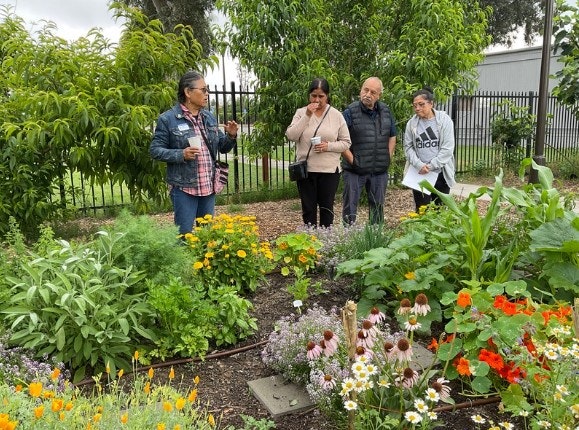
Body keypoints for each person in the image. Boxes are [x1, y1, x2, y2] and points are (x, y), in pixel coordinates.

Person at [150, 70, 238, 235]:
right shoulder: (168, 119)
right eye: (203, 90)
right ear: (188, 92)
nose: (207, 94)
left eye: (207, 90)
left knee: (207, 236)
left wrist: (231, 136)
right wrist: (181, 154)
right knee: (184, 234)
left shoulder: (209, 118)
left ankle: (204, 261)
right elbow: (155, 150)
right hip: (184, 188)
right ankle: (185, 262)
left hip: (208, 187)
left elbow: (223, 147)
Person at [285, 78, 351, 227]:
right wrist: (307, 115)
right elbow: (291, 135)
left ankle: (325, 241)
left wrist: (328, 146)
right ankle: (310, 241)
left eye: (321, 96)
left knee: (326, 209)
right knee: (308, 209)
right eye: (314, 95)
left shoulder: (336, 115)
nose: (317, 100)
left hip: (329, 170)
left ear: (327, 96)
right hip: (306, 170)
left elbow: (346, 142)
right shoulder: (301, 112)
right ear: (309, 95)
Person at [341, 77, 397, 225]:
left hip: (379, 170)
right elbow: (340, 139)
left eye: (373, 92)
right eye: (365, 90)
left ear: (379, 95)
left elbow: (392, 136)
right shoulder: (350, 112)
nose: (368, 94)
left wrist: (388, 157)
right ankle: (348, 238)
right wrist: (353, 160)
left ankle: (376, 240)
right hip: (354, 170)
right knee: (349, 208)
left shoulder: (386, 111)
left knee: (378, 208)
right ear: (361, 90)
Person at [403, 88, 456, 212]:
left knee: (440, 210)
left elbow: (447, 149)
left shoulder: (444, 120)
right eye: (415, 105)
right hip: (419, 173)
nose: (417, 108)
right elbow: (408, 147)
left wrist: (431, 166)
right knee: (422, 210)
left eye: (421, 104)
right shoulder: (411, 124)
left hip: (441, 173)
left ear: (431, 103)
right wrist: (419, 165)